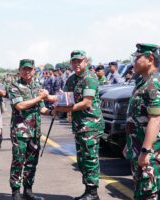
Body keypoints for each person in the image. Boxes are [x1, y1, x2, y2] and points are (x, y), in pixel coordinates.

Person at [54, 50, 104, 200]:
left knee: (90, 159)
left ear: (86, 62)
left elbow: (86, 103)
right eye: (74, 61)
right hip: (79, 125)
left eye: (79, 61)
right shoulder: (71, 79)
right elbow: (64, 98)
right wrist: (49, 99)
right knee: (82, 160)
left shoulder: (90, 78)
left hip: (91, 125)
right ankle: (88, 190)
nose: (76, 64)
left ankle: (93, 193)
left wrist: (63, 109)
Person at [123, 43, 160, 200]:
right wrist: (129, 144)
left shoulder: (154, 84)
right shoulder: (143, 82)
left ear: (150, 59)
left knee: (147, 194)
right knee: (140, 192)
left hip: (149, 150)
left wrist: (146, 151)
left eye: (137, 58)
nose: (134, 62)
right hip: (138, 146)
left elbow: (155, 120)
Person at [8, 59, 54, 200]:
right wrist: (40, 97)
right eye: (24, 69)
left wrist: (51, 112)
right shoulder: (14, 86)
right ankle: (16, 191)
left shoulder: (36, 86)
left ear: (34, 70)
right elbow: (20, 106)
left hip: (34, 132)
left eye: (30, 69)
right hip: (20, 131)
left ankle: (28, 190)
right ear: (20, 70)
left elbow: (41, 107)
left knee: (32, 162)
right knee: (18, 161)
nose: (27, 72)